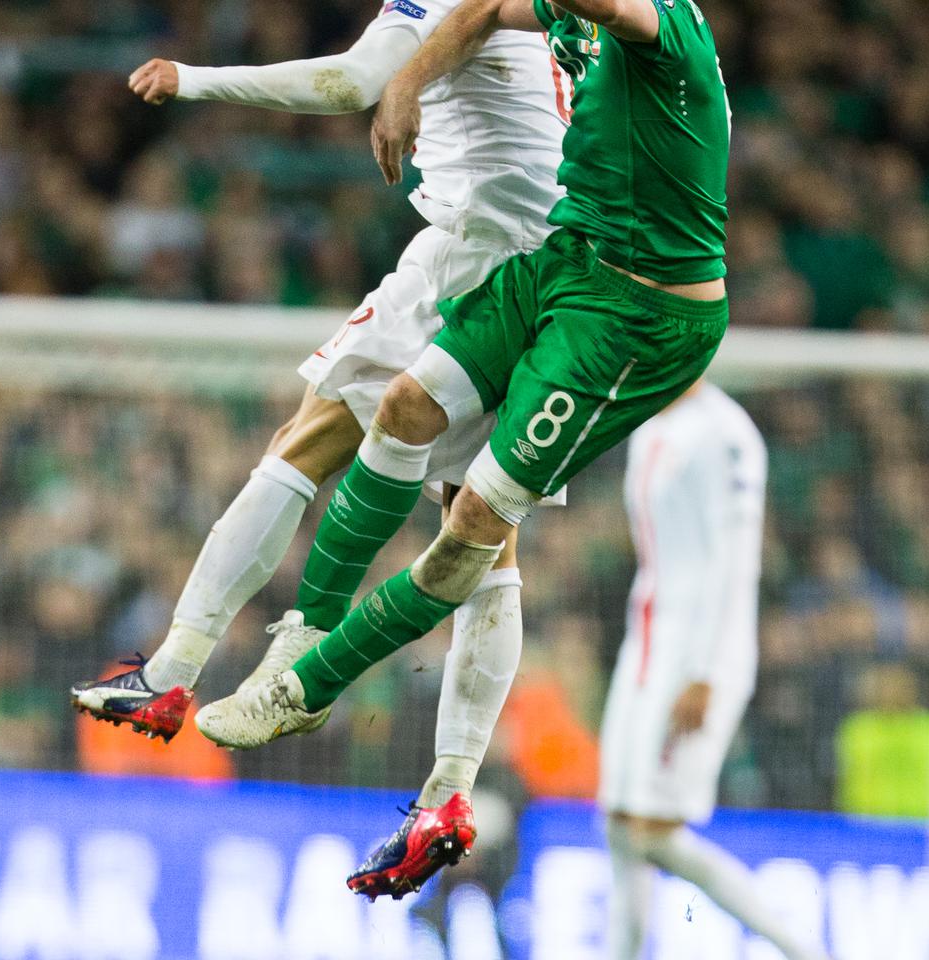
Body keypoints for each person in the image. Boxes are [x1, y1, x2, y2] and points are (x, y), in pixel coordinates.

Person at [199, 0, 733, 898]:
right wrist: (403, 85)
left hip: (636, 314)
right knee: (404, 407)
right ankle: (306, 635)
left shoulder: (660, 19)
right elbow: (484, 9)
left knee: (477, 526)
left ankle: (309, 690)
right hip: (567, 261)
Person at [69, 0, 569, 870]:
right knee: (488, 535)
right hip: (561, 278)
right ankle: (449, 794)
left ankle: (173, 672)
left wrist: (197, 79)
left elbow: (351, 81)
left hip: (472, 263)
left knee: (305, 443)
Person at [601, 383, 826, 960]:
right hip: (647, 643)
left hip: (699, 655)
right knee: (620, 822)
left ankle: (799, 947)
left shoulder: (727, 433)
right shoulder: (648, 419)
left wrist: (704, 671)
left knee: (651, 831)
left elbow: (735, 559)